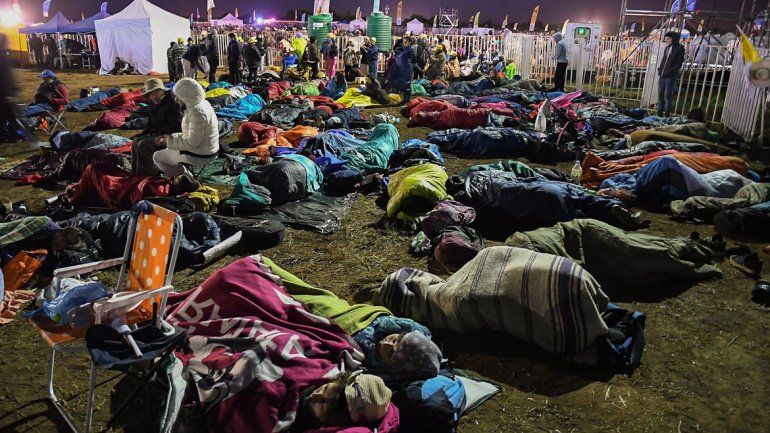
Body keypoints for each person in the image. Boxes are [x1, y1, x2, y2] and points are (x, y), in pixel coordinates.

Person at [152, 78, 219, 177]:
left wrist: (168, 142)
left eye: (178, 96)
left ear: (186, 96)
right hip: (206, 149)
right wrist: (170, 137)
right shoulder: (200, 104)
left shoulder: (197, 112)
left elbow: (192, 142)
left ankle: (184, 179)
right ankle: (185, 175)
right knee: (165, 152)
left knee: (158, 156)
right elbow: (192, 136)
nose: (176, 99)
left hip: (201, 154)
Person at [131, 78, 184, 176]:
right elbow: (151, 123)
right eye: (151, 94)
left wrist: (165, 137)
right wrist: (142, 134)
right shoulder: (153, 103)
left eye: (157, 92)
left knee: (143, 145)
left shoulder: (173, 104)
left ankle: (149, 176)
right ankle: (136, 174)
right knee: (136, 141)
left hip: (173, 138)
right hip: (159, 135)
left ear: (163, 91)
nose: (154, 96)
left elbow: (180, 128)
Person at [657, 31, 685, 117]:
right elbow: (664, 60)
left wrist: (670, 71)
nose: (667, 40)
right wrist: (660, 69)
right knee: (660, 93)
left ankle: (667, 113)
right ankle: (659, 112)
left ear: (674, 39)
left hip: (670, 75)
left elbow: (679, 63)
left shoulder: (680, 48)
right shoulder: (667, 47)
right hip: (662, 74)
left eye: (668, 38)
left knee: (668, 95)